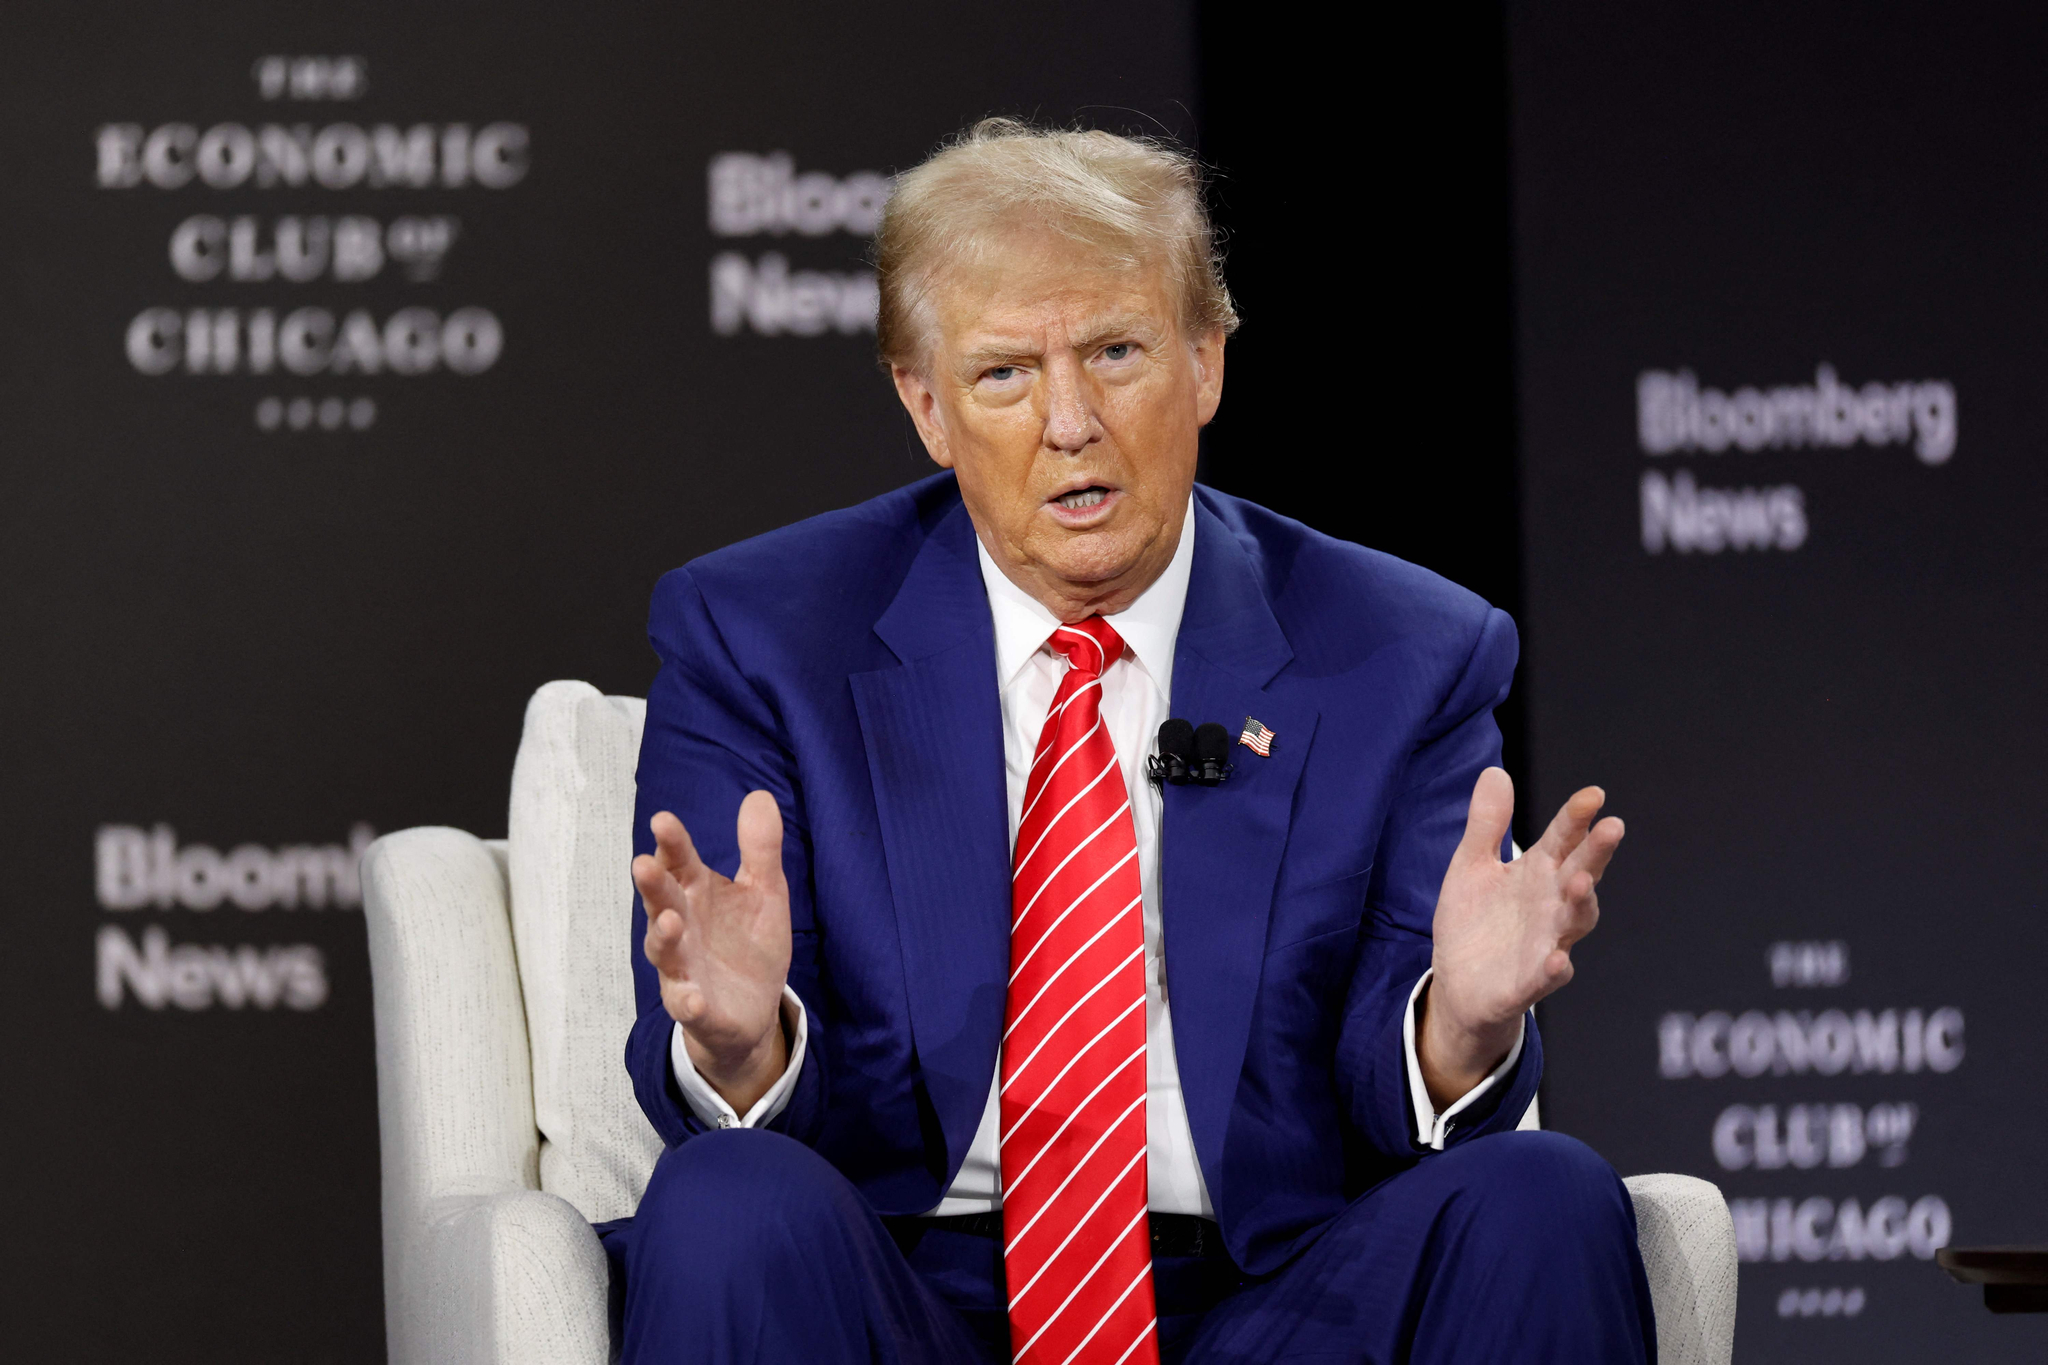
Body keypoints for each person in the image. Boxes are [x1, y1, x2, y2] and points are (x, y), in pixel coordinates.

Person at [608, 119, 1654, 1364]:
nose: (1070, 422)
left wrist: (1456, 1030)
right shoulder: (761, 636)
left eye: (1115, 353)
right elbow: (743, 1083)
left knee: (1547, 1197)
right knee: (725, 1201)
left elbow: (1391, 1079)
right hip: (907, 1285)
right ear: (925, 404)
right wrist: (746, 1047)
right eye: (1004, 374)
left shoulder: (1397, 650)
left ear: (1205, 363)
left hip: (1272, 1293)